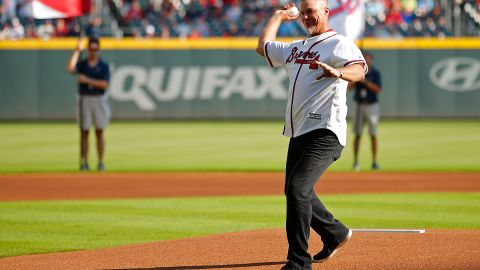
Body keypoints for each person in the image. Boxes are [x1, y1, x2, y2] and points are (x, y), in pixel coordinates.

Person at [256, 0, 367, 269]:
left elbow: (360, 68)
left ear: (326, 12)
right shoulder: (296, 47)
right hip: (299, 131)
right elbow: (263, 47)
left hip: (325, 131)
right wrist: (278, 16)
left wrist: (339, 72)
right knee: (295, 190)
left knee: (297, 189)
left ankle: (298, 262)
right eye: (303, 13)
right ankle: (335, 233)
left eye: (311, 12)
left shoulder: (338, 43)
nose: (306, 17)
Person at [67, 37, 110, 172]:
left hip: (98, 99)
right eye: (90, 49)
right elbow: (70, 68)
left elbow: (104, 84)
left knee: (99, 132)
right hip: (84, 99)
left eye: (95, 49)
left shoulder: (103, 66)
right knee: (84, 132)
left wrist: (87, 80)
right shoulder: (83, 64)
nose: (92, 51)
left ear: (98, 49)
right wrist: (76, 51)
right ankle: (84, 162)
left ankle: (101, 162)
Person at [349, 51, 382, 171]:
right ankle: (356, 162)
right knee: (358, 134)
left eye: (368, 59)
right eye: (364, 59)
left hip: (372, 105)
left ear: (371, 61)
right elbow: (350, 88)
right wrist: (356, 78)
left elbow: (377, 89)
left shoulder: (375, 73)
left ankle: (374, 162)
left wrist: (365, 82)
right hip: (359, 105)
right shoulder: (357, 72)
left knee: (373, 134)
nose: (367, 61)